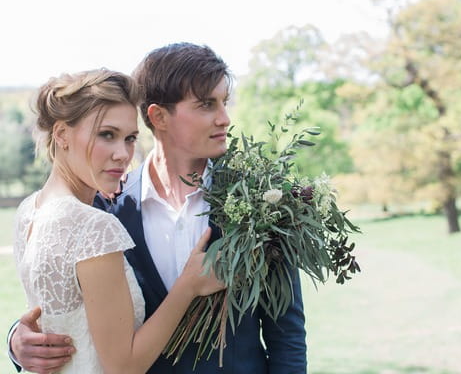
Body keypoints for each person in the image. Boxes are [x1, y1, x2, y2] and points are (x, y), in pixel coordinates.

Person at [9, 43, 308, 374]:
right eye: (207, 104)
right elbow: (70, 305)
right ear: (158, 116)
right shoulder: (103, 207)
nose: (224, 119)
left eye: (225, 102)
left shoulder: (262, 204)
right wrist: (17, 342)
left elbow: (287, 337)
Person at [10, 68, 225, 374]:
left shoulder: (29, 210)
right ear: (61, 135)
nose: (123, 154)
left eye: (130, 138)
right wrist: (187, 287)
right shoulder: (94, 226)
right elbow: (122, 367)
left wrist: (16, 338)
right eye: (106, 135)